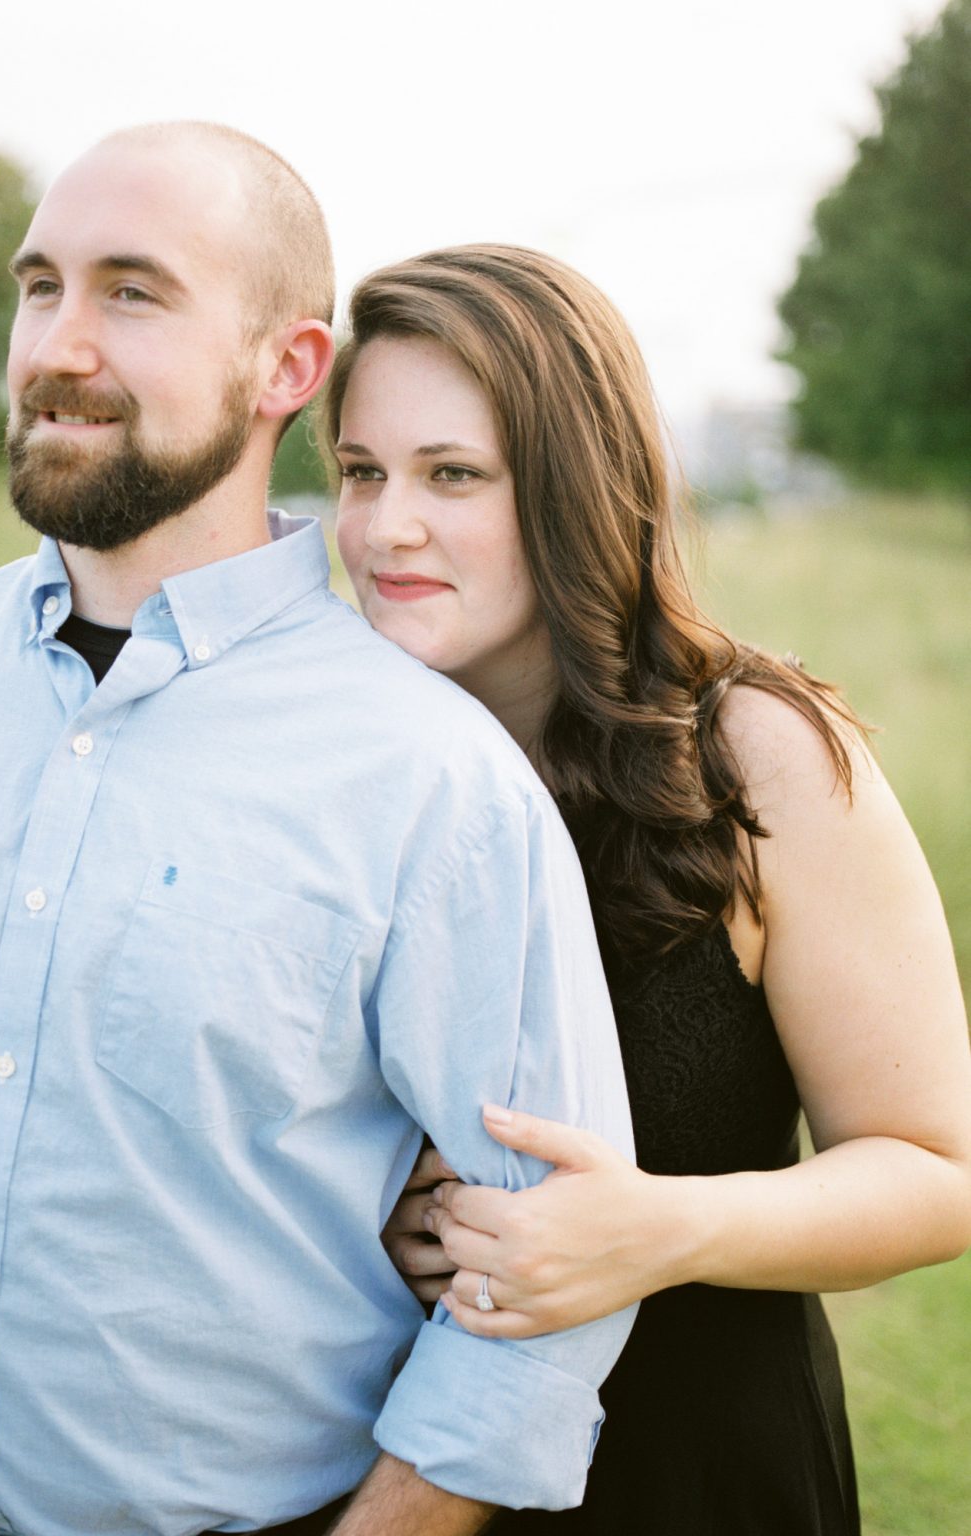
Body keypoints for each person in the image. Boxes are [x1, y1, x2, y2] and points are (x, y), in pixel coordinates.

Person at [0, 133, 638, 1536]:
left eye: (133, 295)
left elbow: (544, 1288)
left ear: (287, 369)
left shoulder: (433, 781)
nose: (59, 347)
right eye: (40, 288)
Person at [324, 243, 971, 1534]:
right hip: (384, 1470)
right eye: (358, 472)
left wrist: (658, 1233)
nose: (385, 524)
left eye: (453, 474)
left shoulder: (753, 751)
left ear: (576, 489)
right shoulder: (332, 762)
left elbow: (934, 1170)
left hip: (698, 1472)